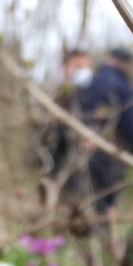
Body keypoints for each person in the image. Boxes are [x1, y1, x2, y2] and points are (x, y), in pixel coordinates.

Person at [79, 46, 133, 219]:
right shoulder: (123, 86)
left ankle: (91, 237)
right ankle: (104, 237)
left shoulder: (92, 81)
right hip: (112, 152)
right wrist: (131, 150)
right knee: (107, 204)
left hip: (85, 150)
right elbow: (130, 125)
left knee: (89, 198)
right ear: (124, 63)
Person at [39, 48, 93, 208]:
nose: (84, 71)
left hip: (81, 165)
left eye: (87, 67)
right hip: (57, 159)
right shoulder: (57, 94)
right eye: (78, 66)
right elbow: (46, 131)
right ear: (65, 67)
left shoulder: (88, 95)